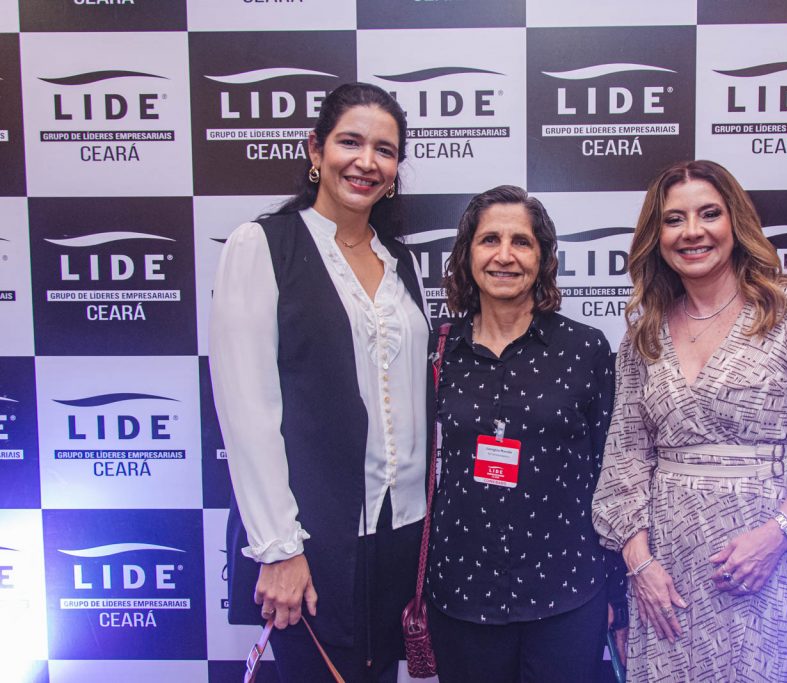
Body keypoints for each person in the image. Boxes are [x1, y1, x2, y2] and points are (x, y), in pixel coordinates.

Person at [592, 160, 787, 682]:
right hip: (667, 570)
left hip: (778, 559)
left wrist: (779, 533)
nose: (692, 231)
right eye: (674, 219)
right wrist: (640, 563)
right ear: (656, 235)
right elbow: (625, 456)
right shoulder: (644, 335)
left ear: (735, 222)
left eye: (709, 214)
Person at [209, 82, 430, 683]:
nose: (366, 162)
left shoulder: (401, 261)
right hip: (312, 537)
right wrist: (279, 547)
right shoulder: (262, 245)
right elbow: (247, 409)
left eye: (385, 150)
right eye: (350, 142)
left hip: (399, 533)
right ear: (316, 149)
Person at [425, 185, 625, 683]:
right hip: (462, 595)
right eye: (489, 240)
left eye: (521, 242)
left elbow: (613, 472)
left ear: (543, 257)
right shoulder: (438, 350)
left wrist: (618, 595)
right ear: (467, 254)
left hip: (566, 594)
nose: (505, 255)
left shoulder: (585, 349)